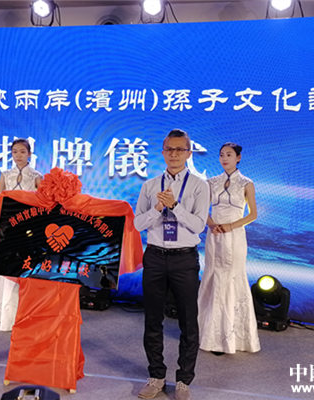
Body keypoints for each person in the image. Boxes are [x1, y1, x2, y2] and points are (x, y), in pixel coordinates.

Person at [134, 129, 210, 400]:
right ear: (163, 152)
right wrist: (157, 208)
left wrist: (175, 206)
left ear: (189, 153)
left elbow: (199, 225)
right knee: (152, 320)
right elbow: (137, 224)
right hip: (155, 256)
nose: (174, 154)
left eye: (180, 150)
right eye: (170, 149)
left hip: (184, 259)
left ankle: (183, 381)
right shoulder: (150, 185)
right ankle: (156, 376)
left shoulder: (199, 186)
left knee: (188, 321)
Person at [198, 142, 260, 355]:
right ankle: (210, 335)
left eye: (229, 155)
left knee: (232, 278)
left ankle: (230, 337)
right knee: (212, 275)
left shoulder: (246, 183)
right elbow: (201, 209)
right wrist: (211, 224)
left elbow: (253, 214)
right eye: (222, 155)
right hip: (214, 236)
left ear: (238, 158)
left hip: (234, 237)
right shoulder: (211, 182)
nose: (224, 158)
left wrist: (231, 226)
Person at [0, 138, 43, 331]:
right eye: (15, 152)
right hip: (9, 228)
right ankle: (6, 315)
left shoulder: (37, 176)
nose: (18, 155)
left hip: (29, 229)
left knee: (26, 268)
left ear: (29, 154)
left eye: (22, 152)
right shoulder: (5, 175)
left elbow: (42, 204)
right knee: (8, 268)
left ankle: (27, 313)